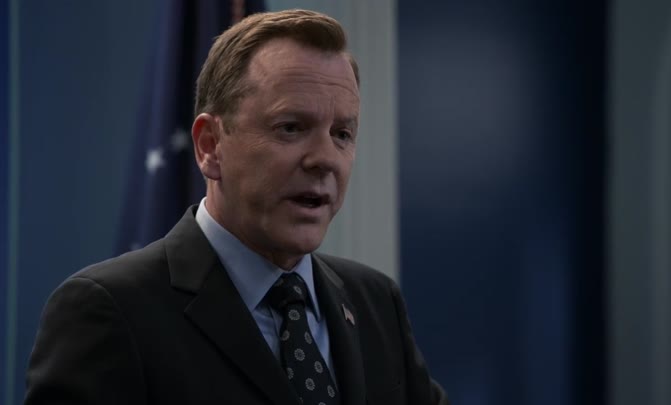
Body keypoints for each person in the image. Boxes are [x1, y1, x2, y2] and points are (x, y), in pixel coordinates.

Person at [24, 9, 447, 405]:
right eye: (291, 127)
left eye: (342, 134)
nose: (325, 159)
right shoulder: (110, 310)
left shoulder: (375, 301)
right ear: (210, 146)